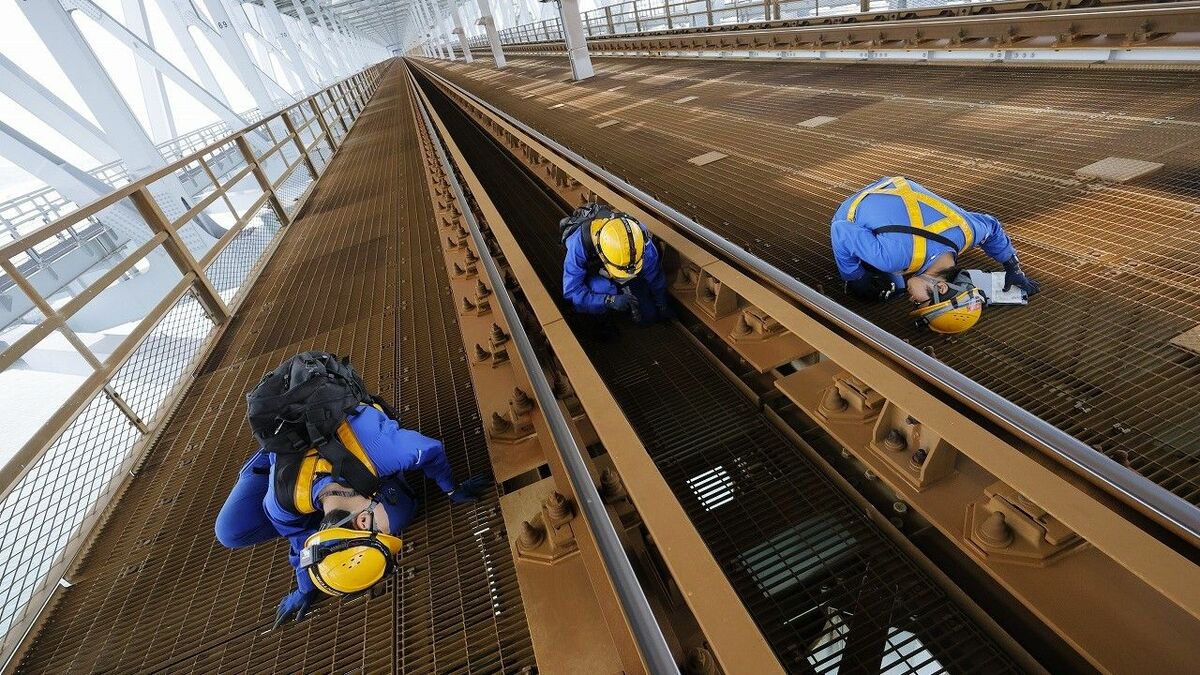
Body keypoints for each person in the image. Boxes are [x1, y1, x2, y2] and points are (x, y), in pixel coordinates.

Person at [214, 352, 489, 629]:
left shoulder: (387, 450)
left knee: (402, 513)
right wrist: (306, 587)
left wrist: (451, 489)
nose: (390, 535)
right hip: (295, 453)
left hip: (348, 426)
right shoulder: (281, 501)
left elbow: (432, 451)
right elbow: (300, 543)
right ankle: (274, 453)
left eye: (383, 536)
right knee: (229, 531)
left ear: (363, 521)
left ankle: (286, 450)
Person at [831, 176, 1040, 309]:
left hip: (893, 184)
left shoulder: (967, 233)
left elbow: (992, 227)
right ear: (940, 287)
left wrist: (1012, 265)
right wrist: (854, 276)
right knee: (884, 287)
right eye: (920, 302)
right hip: (852, 207)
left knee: (900, 283)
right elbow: (840, 229)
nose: (912, 301)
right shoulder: (892, 258)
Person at [560, 205, 672, 328]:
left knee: (649, 315)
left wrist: (662, 304)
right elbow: (572, 292)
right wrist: (608, 300)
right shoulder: (578, 244)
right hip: (596, 274)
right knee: (602, 287)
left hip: (626, 275)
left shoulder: (639, 239)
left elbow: (654, 275)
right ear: (602, 254)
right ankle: (601, 319)